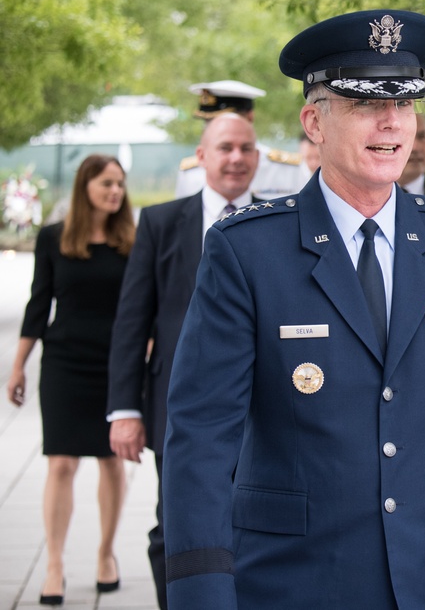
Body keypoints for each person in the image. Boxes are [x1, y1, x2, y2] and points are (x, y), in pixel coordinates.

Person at [160, 9, 425, 610]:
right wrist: (200, 595)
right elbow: (200, 437)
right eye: (363, 104)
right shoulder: (247, 250)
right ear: (313, 122)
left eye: (404, 105)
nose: (390, 122)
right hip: (292, 581)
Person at [106, 113, 259, 609]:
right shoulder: (161, 223)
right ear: (201, 157)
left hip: (264, 412)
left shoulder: (278, 221)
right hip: (179, 412)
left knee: (253, 527)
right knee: (178, 529)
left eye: (245, 148)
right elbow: (133, 321)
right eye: (224, 148)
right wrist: (124, 410)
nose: (236, 158)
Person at [7, 154, 134, 605]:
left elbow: (145, 308)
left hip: (116, 364)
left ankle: (105, 554)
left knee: (110, 460)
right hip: (64, 363)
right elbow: (38, 304)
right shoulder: (52, 239)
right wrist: (19, 364)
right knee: (60, 462)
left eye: (120, 184)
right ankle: (56, 564)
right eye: (106, 184)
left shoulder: (132, 241)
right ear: (85, 188)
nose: (115, 192)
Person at [175, 80, 301, 199]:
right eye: (208, 121)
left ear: (250, 117)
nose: (215, 127)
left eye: (226, 119)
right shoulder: (190, 172)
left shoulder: (286, 169)